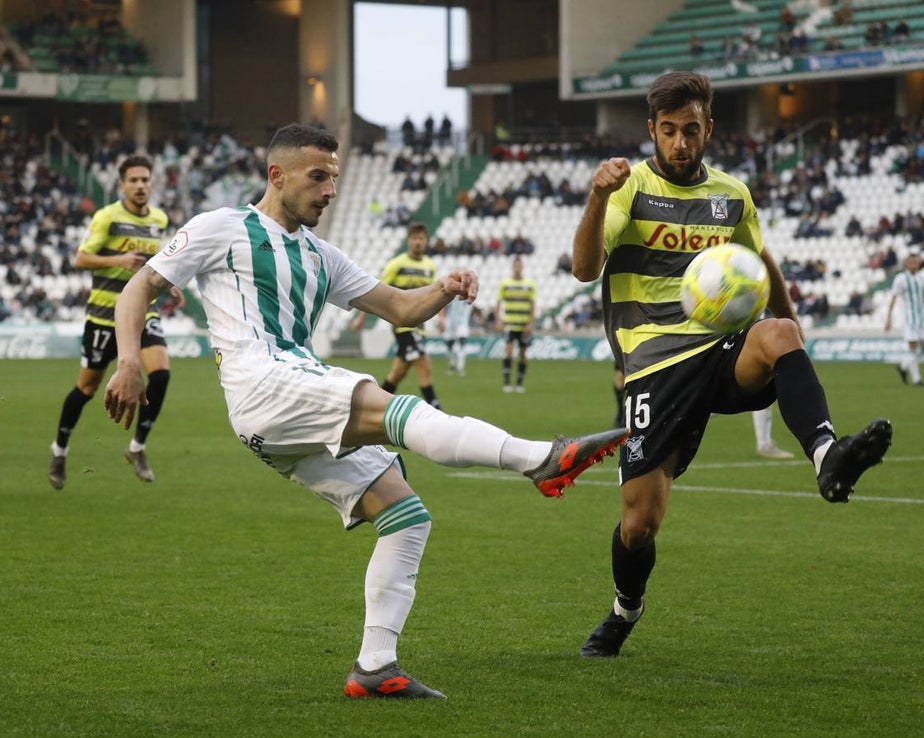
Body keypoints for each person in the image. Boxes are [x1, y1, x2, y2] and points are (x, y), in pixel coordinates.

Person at [103, 123, 629, 699]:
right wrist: (129, 359)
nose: (330, 189)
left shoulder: (322, 256)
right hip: (262, 379)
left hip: (281, 404)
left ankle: (375, 666)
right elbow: (141, 286)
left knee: (406, 518)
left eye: (335, 177)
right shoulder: (221, 227)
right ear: (276, 176)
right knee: (394, 407)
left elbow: (401, 309)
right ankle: (541, 459)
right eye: (318, 176)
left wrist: (444, 288)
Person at [570, 71, 892, 659]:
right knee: (639, 525)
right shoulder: (628, 189)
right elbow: (585, 268)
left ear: (709, 129)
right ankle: (625, 610)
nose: (680, 143)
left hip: (719, 350)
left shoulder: (731, 195)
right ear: (652, 131)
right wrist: (596, 195)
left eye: (690, 131)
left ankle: (827, 457)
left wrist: (794, 333)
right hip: (652, 365)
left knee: (779, 333)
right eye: (668, 131)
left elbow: (760, 260)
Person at [48, 155, 182, 490]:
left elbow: (156, 263)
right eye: (133, 180)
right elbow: (81, 258)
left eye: (145, 180)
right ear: (121, 185)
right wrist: (118, 259)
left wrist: (172, 284)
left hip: (142, 314)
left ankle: (137, 447)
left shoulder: (159, 219)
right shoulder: (107, 217)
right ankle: (59, 449)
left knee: (161, 372)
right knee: (87, 389)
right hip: (103, 316)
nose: (140, 186)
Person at [350, 222, 442, 409]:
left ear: (426, 241)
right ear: (409, 241)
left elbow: (433, 295)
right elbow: (374, 291)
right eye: (415, 238)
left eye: (421, 238)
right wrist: (361, 318)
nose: (418, 242)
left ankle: (375, 407)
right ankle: (438, 412)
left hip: (421, 327)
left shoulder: (430, 266)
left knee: (398, 372)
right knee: (424, 365)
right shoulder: (396, 264)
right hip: (403, 325)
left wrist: (441, 316)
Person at [884, 248, 924, 387]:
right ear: (906, 264)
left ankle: (903, 366)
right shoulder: (901, 279)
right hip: (909, 320)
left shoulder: (920, 278)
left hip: (921, 319)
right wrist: (889, 318)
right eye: (911, 262)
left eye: (915, 261)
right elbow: (893, 297)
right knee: (913, 349)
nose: (913, 264)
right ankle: (917, 379)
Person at [496, 255, 536, 393]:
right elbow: (498, 302)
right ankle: (507, 382)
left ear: (522, 267)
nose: (517, 269)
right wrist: (498, 319)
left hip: (524, 325)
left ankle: (519, 383)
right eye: (515, 266)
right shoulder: (505, 284)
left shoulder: (529, 285)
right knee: (508, 350)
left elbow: (532, 305)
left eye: (519, 266)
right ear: (513, 268)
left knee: (523, 354)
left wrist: (531, 323)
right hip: (510, 324)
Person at [439, 294, 471, 376]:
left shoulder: (468, 291)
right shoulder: (452, 293)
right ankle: (452, 364)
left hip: (463, 322)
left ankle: (460, 367)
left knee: (462, 342)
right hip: (451, 323)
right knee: (449, 344)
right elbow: (442, 305)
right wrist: (442, 319)